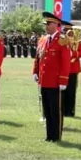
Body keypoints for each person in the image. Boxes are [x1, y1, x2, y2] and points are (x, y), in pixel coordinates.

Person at [34, 12, 70, 142]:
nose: (46, 26)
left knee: (55, 110)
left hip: (55, 81)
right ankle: (49, 135)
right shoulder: (43, 39)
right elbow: (38, 57)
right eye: (46, 24)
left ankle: (56, 135)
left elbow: (65, 62)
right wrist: (35, 71)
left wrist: (63, 80)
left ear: (56, 24)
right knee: (47, 109)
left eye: (49, 24)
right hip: (44, 80)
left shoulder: (62, 40)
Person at [61, 20, 81, 117]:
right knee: (62, 91)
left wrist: (73, 53)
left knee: (71, 90)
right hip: (62, 69)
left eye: (67, 30)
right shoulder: (61, 40)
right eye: (64, 30)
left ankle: (70, 111)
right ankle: (62, 110)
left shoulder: (76, 40)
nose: (65, 32)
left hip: (73, 69)